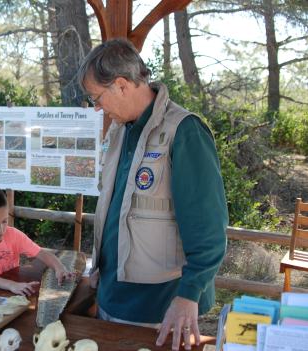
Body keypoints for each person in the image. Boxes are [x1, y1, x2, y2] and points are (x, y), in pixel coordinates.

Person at [77, 38, 228, 351]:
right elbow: (114, 207)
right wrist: (99, 269)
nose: (97, 107)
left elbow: (208, 226)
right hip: (112, 296)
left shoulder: (184, 130)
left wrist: (189, 295)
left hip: (160, 308)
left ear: (120, 85)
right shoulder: (120, 129)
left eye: (97, 97)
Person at [0, 183, 76, 296]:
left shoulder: (13, 235)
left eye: (4, 221)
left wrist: (59, 268)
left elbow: (42, 253)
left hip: (10, 291)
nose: (1, 230)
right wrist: (11, 285)